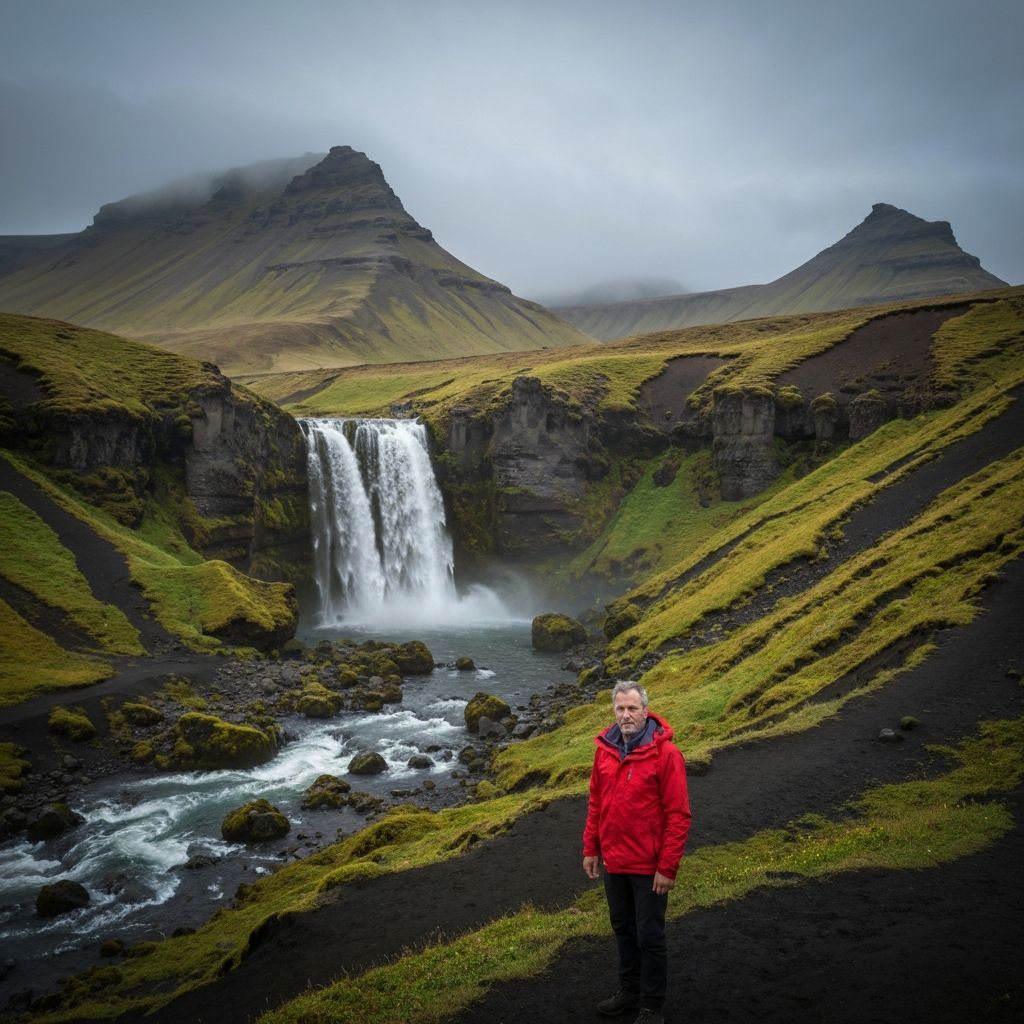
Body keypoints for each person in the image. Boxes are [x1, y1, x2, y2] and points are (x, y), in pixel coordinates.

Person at [583, 680, 691, 1024]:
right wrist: (591, 847)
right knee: (623, 929)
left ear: (645, 711)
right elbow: (597, 802)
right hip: (615, 861)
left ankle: (651, 1006)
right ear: (613, 711)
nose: (626, 714)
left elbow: (678, 815)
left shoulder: (667, 755)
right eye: (620, 708)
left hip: (648, 866)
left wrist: (668, 867)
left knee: (649, 935)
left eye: (632, 708)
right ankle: (629, 994)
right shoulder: (605, 750)